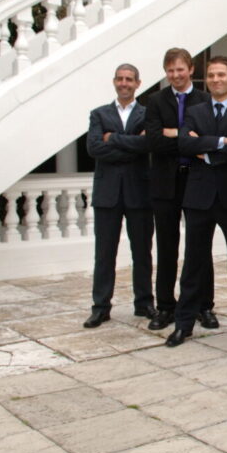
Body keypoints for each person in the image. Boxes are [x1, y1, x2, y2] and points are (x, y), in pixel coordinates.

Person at [167, 56, 227, 347]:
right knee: (193, 264)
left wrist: (206, 146)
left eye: (221, 74)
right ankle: (183, 324)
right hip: (199, 197)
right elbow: (183, 144)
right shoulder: (195, 110)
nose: (216, 79)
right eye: (212, 75)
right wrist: (222, 142)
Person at [83, 63, 154, 328]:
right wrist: (131, 144)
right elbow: (93, 148)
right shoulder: (99, 114)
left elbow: (148, 144)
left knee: (142, 252)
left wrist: (112, 139)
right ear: (114, 82)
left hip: (139, 191)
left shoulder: (148, 114)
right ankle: (100, 307)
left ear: (138, 83)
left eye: (129, 79)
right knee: (104, 254)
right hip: (107, 193)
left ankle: (144, 303)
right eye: (120, 79)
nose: (124, 83)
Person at [145, 48, 210, 331]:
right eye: (170, 70)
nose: (175, 75)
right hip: (165, 184)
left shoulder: (205, 100)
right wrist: (186, 137)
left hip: (197, 181)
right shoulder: (155, 101)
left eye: (180, 69)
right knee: (167, 246)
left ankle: (203, 306)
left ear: (191, 69)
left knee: (199, 247)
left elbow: (207, 139)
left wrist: (174, 132)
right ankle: (165, 307)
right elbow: (155, 142)